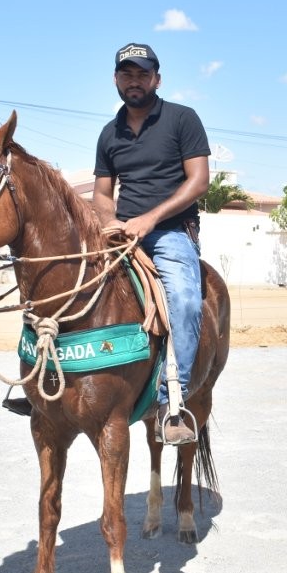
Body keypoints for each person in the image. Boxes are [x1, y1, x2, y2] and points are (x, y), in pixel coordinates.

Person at [93, 42, 211, 445]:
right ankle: (45, 384)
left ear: (156, 79)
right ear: (115, 79)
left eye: (142, 74)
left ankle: (170, 403)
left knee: (186, 301)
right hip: (121, 234)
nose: (134, 81)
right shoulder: (109, 133)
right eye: (127, 74)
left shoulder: (182, 119)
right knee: (63, 281)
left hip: (170, 232)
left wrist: (150, 219)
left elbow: (199, 181)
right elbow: (102, 194)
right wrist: (110, 221)